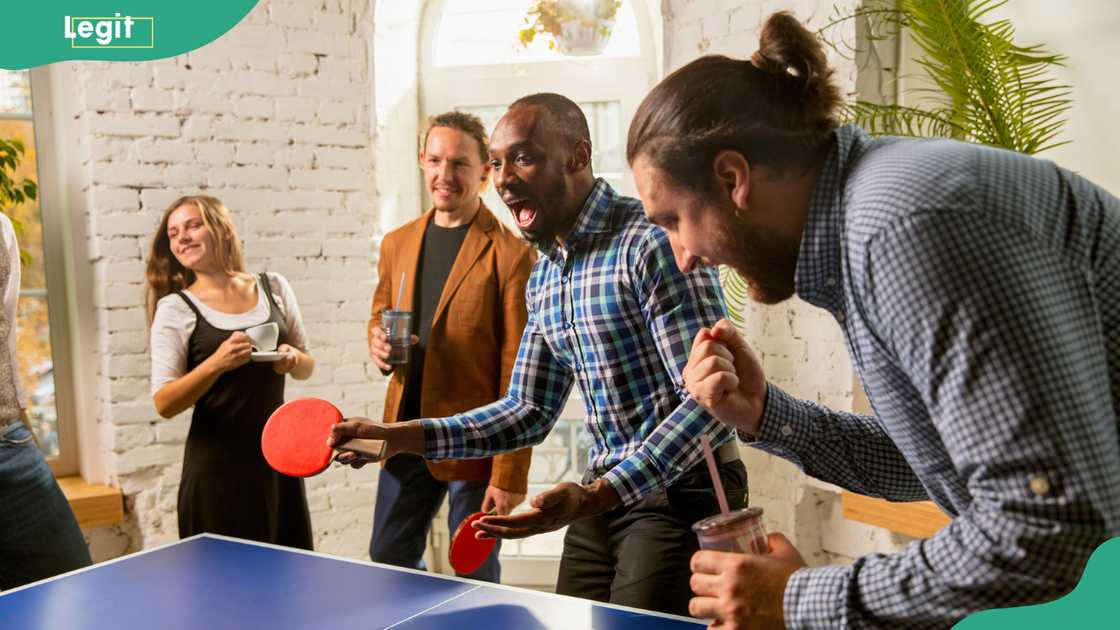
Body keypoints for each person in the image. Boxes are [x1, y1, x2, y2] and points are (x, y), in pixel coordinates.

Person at [625, 11, 1120, 629]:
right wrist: (764, 413)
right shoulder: (868, 218)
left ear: (733, 179)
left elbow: (1045, 524)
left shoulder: (902, 226)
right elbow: (932, 459)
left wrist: (799, 600)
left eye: (673, 220)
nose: (684, 255)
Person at [334, 93, 747, 616]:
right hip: (606, 489)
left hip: (682, 488)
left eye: (523, 158)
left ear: (577, 156)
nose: (504, 178)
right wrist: (398, 437)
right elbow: (525, 410)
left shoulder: (649, 244)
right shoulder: (547, 275)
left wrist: (598, 494)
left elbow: (711, 404)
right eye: (499, 163)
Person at [366, 111, 534, 581]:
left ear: (484, 171)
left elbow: (519, 374)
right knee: (387, 556)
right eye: (436, 160)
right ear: (422, 161)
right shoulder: (396, 243)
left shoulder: (512, 255)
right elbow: (381, 314)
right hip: (405, 431)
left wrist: (508, 475)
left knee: (474, 571)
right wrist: (377, 342)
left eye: (459, 163)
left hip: (475, 441)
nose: (445, 175)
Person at [146, 195, 317, 549]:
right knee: (223, 592)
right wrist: (216, 363)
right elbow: (164, 403)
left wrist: (292, 358)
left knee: (289, 580)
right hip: (215, 472)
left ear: (222, 229)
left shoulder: (274, 287)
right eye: (174, 233)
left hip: (278, 462)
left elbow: (306, 364)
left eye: (193, 225)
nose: (182, 238)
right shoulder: (175, 308)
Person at [0, 211, 91, 590]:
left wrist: (25, 431)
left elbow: (5, 342)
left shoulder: (0, 228)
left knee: (76, 591)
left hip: (9, 444)